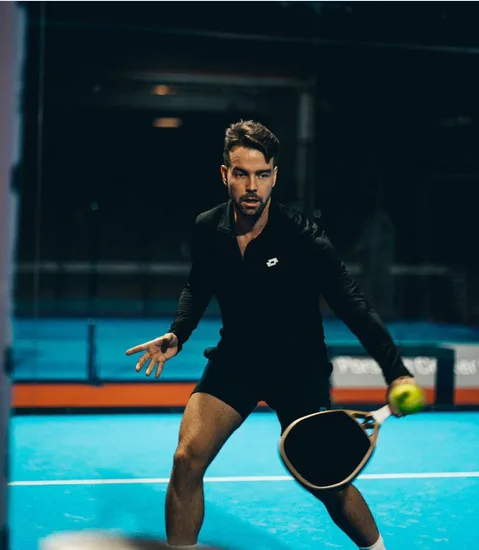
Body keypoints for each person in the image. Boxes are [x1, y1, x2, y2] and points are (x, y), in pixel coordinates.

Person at [126, 120, 417, 550]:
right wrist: (178, 333)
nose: (252, 186)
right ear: (224, 173)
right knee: (186, 459)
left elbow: (353, 305)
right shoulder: (208, 227)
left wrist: (396, 372)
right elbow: (198, 286)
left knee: (328, 482)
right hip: (236, 361)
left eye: (262, 175)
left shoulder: (303, 237)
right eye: (241, 174)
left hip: (298, 369)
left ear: (275, 176)